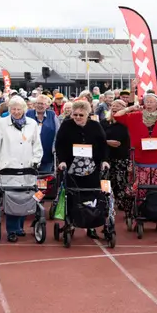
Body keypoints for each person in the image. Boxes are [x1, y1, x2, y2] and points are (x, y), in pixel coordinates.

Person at [113, 93, 157, 231]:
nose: (150, 103)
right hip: (141, 160)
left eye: (153, 101)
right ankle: (139, 216)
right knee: (140, 192)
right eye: (147, 101)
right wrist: (130, 108)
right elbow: (117, 116)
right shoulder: (135, 117)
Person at [0, 96, 43, 242]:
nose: (16, 112)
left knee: (25, 197)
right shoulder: (2, 123)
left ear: (24, 109)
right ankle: (12, 230)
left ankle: (19, 227)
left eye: (19, 109)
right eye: (13, 109)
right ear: (10, 109)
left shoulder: (32, 123)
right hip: (8, 166)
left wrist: (36, 160)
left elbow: (37, 145)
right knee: (11, 198)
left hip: (27, 166)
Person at [55, 100, 110, 237]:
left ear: (87, 114)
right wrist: (61, 161)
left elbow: (103, 145)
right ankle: (72, 222)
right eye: (75, 115)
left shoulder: (95, 126)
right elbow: (59, 144)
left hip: (92, 166)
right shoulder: (66, 125)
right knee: (72, 195)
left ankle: (92, 224)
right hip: (72, 166)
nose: (78, 118)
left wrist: (104, 161)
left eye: (81, 115)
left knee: (92, 194)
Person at [101, 99, 131, 211]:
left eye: (118, 106)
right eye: (113, 105)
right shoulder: (104, 122)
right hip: (106, 156)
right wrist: (107, 142)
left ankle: (122, 202)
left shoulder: (127, 122)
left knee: (121, 181)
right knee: (105, 180)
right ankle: (105, 201)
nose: (115, 107)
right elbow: (98, 137)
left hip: (122, 157)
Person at [26, 94, 59, 173]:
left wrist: (54, 148)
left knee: (45, 179)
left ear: (47, 105)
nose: (39, 105)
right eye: (37, 103)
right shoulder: (28, 114)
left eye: (42, 104)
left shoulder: (52, 115)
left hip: (47, 154)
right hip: (30, 154)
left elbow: (58, 133)